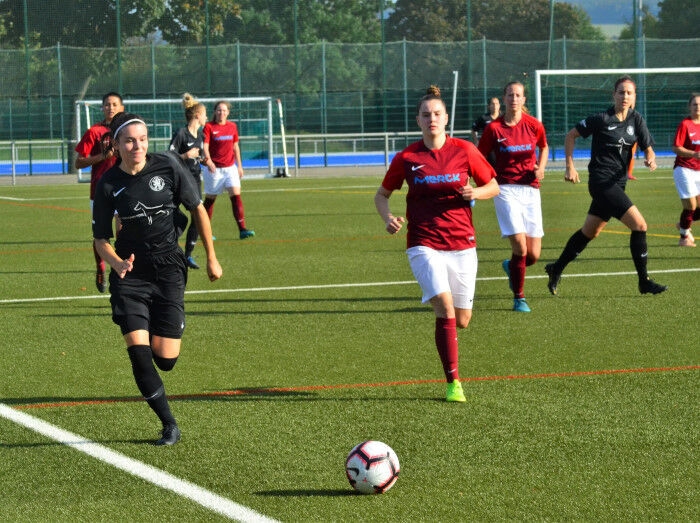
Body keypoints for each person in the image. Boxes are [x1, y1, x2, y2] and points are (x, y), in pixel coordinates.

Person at [92, 112, 223, 445]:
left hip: (168, 270)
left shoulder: (168, 165)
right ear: (117, 145)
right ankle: (169, 425)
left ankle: (151, 329)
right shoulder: (108, 184)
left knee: (165, 360)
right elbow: (100, 239)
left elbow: (197, 208)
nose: (137, 146)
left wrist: (211, 257)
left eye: (143, 139)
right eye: (129, 141)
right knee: (139, 353)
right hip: (131, 275)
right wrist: (116, 263)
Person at [374, 85, 499, 403]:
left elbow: (493, 186)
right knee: (444, 307)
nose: (432, 119)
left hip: (462, 243)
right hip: (423, 243)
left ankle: (450, 346)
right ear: (418, 120)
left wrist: (476, 192)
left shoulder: (465, 150)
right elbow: (382, 195)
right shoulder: (407, 157)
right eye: (426, 114)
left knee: (462, 320)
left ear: (446, 118)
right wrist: (388, 218)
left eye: (437, 114)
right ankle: (453, 382)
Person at [544, 75, 667, 296]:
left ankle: (556, 268)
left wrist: (651, 158)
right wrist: (570, 166)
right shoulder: (602, 119)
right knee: (640, 225)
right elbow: (571, 135)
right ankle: (644, 281)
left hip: (617, 184)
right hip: (600, 182)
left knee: (590, 231)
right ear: (614, 95)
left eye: (629, 93)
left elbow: (648, 147)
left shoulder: (637, 119)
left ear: (634, 97)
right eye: (621, 92)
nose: (625, 96)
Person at [478, 81, 548, 313]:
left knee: (533, 255)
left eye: (518, 95)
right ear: (504, 99)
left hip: (530, 189)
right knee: (520, 245)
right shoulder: (494, 129)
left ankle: (511, 266)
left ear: (524, 99)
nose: (514, 99)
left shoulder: (534, 125)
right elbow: (479, 156)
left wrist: (541, 168)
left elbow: (544, 147)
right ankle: (519, 298)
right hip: (505, 188)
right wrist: (484, 180)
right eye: (510, 95)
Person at [75, 91, 124, 293]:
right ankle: (100, 268)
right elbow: (78, 162)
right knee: (101, 235)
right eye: (107, 104)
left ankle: (120, 269)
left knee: (123, 231)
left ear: (121, 107)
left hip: (123, 187)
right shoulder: (94, 131)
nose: (110, 108)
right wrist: (102, 157)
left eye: (114, 104)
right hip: (100, 189)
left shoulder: (126, 129)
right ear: (102, 108)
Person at [201, 101, 255, 240]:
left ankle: (242, 229)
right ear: (215, 112)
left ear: (228, 112)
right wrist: (209, 161)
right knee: (210, 200)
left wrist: (239, 166)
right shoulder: (209, 126)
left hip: (230, 168)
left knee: (236, 196)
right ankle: (205, 232)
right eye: (219, 110)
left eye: (224, 110)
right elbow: (205, 146)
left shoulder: (232, 126)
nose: (221, 113)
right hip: (214, 170)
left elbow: (235, 147)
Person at [169, 93, 208, 268]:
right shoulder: (181, 133)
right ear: (198, 115)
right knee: (174, 216)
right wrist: (186, 155)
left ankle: (188, 255)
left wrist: (203, 160)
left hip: (195, 179)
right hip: (180, 181)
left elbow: (198, 156)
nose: (207, 118)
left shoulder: (200, 136)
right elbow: (170, 156)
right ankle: (169, 247)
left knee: (197, 216)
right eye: (205, 114)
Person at [671, 93, 700, 247]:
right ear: (689, 107)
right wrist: (694, 154)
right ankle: (684, 238)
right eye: (695, 104)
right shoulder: (685, 124)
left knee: (696, 208)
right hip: (684, 169)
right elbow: (676, 147)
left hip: (698, 170)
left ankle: (683, 224)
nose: (698, 107)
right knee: (691, 206)